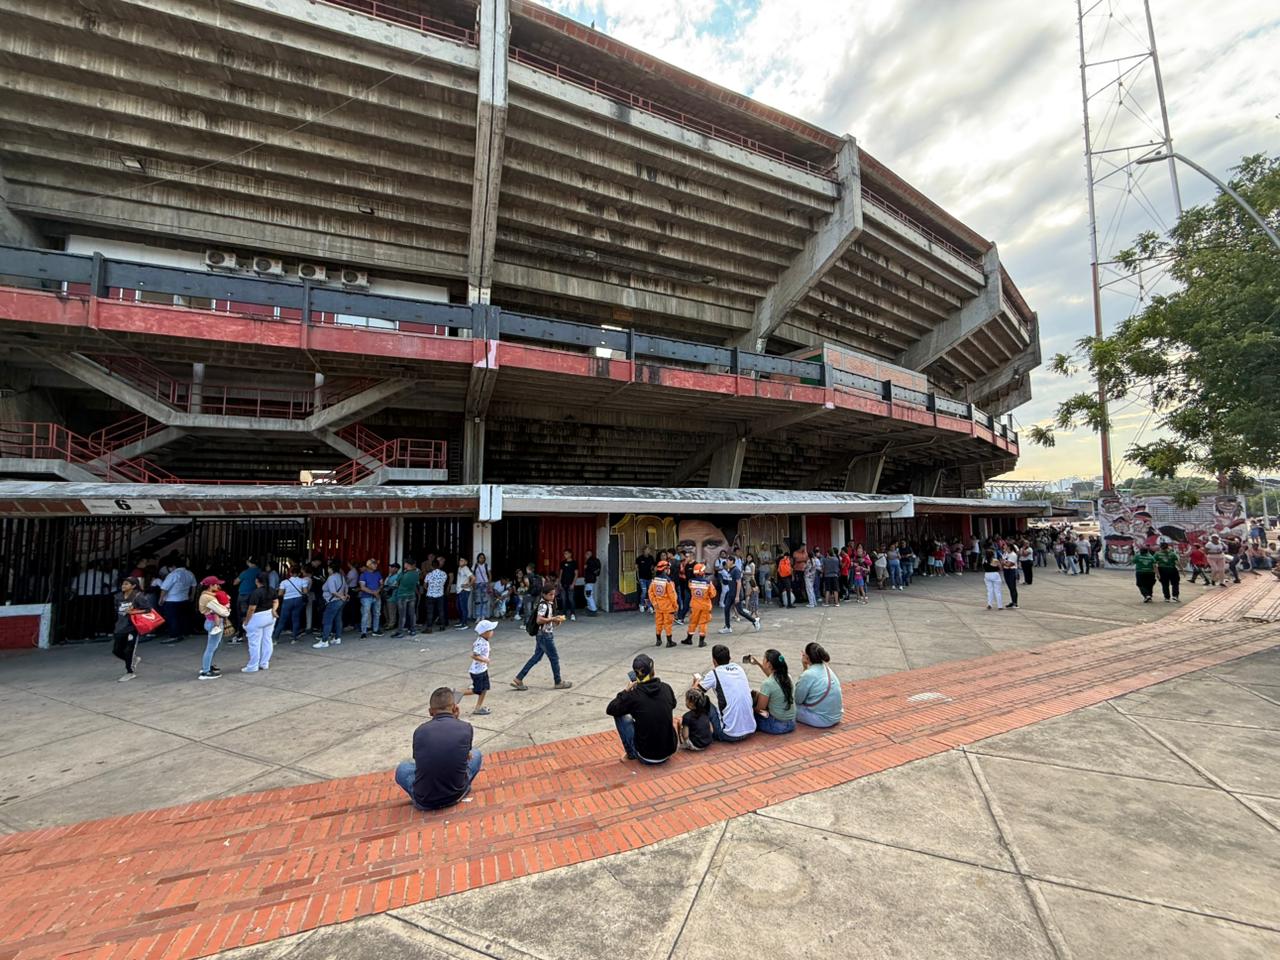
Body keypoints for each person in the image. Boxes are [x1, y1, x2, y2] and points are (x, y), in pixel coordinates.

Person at [394, 687, 483, 811]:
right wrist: (456, 719)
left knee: (403, 768)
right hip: (455, 795)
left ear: (430, 712)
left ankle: (423, 795)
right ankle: (461, 789)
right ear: (455, 708)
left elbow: (418, 762)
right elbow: (466, 757)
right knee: (476, 754)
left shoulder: (420, 731)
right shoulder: (466, 728)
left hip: (425, 801)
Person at [606, 653, 677, 764]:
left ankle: (631, 753)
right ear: (653, 671)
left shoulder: (633, 696)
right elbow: (673, 704)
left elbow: (611, 709)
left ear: (636, 675)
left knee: (621, 715)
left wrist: (625, 692)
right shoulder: (666, 688)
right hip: (669, 750)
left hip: (646, 755)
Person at [511, 584, 573, 690]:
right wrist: (553, 619)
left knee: (536, 657)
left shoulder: (548, 604)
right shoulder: (543, 605)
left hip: (543, 634)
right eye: (550, 594)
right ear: (544, 594)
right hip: (545, 635)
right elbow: (539, 620)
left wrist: (556, 621)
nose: (553, 596)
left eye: (554, 594)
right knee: (554, 658)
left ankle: (519, 678)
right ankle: (558, 681)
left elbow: (547, 621)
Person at [692, 643, 755, 742]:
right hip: (751, 729)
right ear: (729, 658)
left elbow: (694, 694)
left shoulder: (714, 673)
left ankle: (700, 732)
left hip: (729, 734)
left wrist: (696, 681)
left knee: (703, 701)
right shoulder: (738, 668)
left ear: (714, 660)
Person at [743, 648, 796, 734]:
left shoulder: (767, 684)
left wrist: (751, 709)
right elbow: (771, 676)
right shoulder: (787, 677)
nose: (762, 660)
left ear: (769, 664)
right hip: (791, 722)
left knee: (749, 711)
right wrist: (758, 664)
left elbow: (760, 709)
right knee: (759, 696)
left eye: (764, 658)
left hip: (777, 725)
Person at [111, 577, 151, 682]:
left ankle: (130, 671)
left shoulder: (138, 597)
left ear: (133, 586)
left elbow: (148, 609)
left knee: (129, 650)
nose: (123, 586)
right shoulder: (118, 597)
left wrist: (134, 612)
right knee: (117, 650)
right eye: (123, 584)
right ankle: (133, 660)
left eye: (126, 584)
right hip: (120, 627)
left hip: (132, 627)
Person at [794, 641, 842, 727]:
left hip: (821, 719)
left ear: (807, 657)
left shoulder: (809, 674)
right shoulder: (826, 668)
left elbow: (797, 699)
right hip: (836, 716)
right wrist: (805, 667)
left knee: (786, 708)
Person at [242, 573, 277, 672]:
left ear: (257, 580)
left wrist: (246, 621)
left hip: (257, 617)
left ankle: (253, 665)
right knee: (267, 640)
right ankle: (264, 663)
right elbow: (276, 601)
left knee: (254, 643)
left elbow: (251, 609)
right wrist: (274, 610)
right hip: (270, 616)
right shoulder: (272, 590)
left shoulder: (256, 593)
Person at [196, 576, 229, 680]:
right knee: (211, 648)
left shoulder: (206, 595)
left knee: (213, 646)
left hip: (211, 621)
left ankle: (207, 666)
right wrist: (227, 608)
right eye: (216, 584)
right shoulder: (208, 597)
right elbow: (223, 612)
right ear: (211, 585)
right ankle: (206, 671)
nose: (218, 586)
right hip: (213, 623)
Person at [158, 557, 195, 644]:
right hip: (184, 599)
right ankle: (184, 632)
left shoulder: (173, 575)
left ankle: (174, 635)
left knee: (172, 618)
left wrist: (161, 599)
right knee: (182, 617)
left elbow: (164, 588)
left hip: (171, 600)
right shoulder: (189, 573)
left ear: (173, 566)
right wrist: (192, 595)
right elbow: (194, 585)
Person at [462, 619, 495, 715]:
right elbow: (474, 655)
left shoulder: (485, 641)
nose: (492, 632)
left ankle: (478, 707)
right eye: (490, 630)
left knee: (485, 688)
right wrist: (485, 660)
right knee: (478, 690)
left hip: (482, 669)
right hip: (477, 671)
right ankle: (456, 694)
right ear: (485, 632)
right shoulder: (480, 642)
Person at [314, 560, 347, 648]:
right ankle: (337, 638)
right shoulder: (341, 577)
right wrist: (344, 596)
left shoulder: (331, 578)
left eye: (328, 568)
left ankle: (324, 640)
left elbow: (333, 591)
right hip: (340, 602)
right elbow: (346, 587)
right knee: (338, 619)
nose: (327, 569)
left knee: (327, 620)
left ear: (331, 569)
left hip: (333, 601)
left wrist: (340, 596)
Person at [682, 562, 716, 648]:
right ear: (702, 572)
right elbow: (713, 595)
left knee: (693, 622)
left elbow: (691, 589)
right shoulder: (708, 583)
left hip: (695, 605)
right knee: (703, 623)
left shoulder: (691, 582)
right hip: (705, 606)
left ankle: (689, 639)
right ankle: (701, 642)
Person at [274, 564, 311, 644]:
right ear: (299, 573)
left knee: (282, 620)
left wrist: (286, 594)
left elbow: (280, 594)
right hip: (298, 600)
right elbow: (305, 592)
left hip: (287, 601)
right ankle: (294, 638)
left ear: (290, 573)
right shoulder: (303, 581)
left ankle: (275, 639)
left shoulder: (284, 582)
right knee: (296, 619)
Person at [648, 559, 678, 648]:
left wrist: (654, 603)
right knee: (668, 624)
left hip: (658, 606)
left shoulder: (654, 580)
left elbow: (650, 593)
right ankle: (669, 642)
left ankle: (658, 640)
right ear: (665, 569)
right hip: (668, 607)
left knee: (658, 623)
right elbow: (673, 596)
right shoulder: (668, 582)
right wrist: (676, 607)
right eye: (668, 568)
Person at [231, 555, 259, 641]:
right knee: (252, 614)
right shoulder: (259, 571)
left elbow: (235, 582)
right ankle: (251, 632)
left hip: (243, 595)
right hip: (254, 595)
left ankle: (241, 634)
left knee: (242, 615)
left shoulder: (245, 572)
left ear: (248, 562)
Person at [390, 558, 420, 638]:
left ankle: (400, 632)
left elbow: (396, 583)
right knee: (412, 613)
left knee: (402, 615)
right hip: (412, 595)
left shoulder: (403, 574)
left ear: (407, 564)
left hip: (402, 595)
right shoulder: (416, 573)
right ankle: (413, 630)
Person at [357, 558, 384, 638]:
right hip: (366, 597)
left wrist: (377, 591)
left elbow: (381, 584)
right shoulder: (363, 575)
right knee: (365, 614)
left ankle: (375, 630)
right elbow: (362, 587)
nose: (375, 565)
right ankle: (363, 632)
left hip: (375, 596)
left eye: (376, 563)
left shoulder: (378, 573)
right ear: (368, 565)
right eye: (373, 564)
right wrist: (374, 593)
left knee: (377, 613)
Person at [423, 558, 448, 632]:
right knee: (441, 611)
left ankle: (429, 628)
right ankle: (442, 626)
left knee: (430, 612)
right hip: (440, 595)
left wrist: (429, 589)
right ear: (439, 565)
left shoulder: (429, 575)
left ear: (432, 566)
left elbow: (425, 585)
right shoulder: (444, 574)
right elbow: (443, 583)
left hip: (430, 595)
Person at [454, 557, 474, 629]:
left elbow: (473, 578)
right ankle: (461, 621)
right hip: (459, 590)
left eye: (462, 560)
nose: (460, 561)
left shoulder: (465, 568)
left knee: (463, 607)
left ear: (466, 562)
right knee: (458, 606)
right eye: (460, 560)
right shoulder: (460, 568)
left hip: (464, 591)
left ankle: (464, 624)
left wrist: (468, 585)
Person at [559, 550, 578, 621]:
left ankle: (572, 614)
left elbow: (576, 574)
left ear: (570, 554)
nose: (565, 555)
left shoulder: (574, 563)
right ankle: (564, 614)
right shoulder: (562, 563)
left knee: (571, 599)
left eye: (566, 553)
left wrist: (573, 583)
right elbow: (561, 573)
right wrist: (559, 582)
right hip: (563, 583)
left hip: (570, 583)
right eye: (564, 554)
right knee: (563, 599)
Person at [635, 547, 655, 614]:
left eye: (648, 550)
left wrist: (653, 571)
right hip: (642, 578)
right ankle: (641, 604)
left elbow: (653, 566)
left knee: (650, 592)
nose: (647, 551)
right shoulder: (639, 558)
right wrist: (637, 578)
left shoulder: (651, 558)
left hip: (649, 578)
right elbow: (636, 568)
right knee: (644, 591)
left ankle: (649, 606)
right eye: (646, 550)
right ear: (643, 551)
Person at [472, 553, 491, 621]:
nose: (482, 559)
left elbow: (489, 575)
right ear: (478, 558)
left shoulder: (486, 565)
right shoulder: (475, 566)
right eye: (480, 557)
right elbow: (472, 575)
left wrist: (488, 584)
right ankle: (478, 616)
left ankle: (483, 616)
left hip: (484, 584)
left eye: (483, 557)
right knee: (478, 601)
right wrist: (473, 584)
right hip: (477, 584)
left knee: (484, 601)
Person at [1001, 543, 1020, 609]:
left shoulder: (1013, 555)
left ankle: (1015, 603)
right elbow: (1002, 562)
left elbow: (1010, 564)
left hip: (1011, 571)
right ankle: (1012, 601)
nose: (1004, 547)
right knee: (1009, 587)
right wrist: (1004, 563)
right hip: (1006, 570)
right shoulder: (1005, 554)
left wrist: (1004, 562)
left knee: (1012, 587)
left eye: (1006, 546)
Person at [583, 550, 601, 615]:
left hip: (589, 580)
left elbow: (589, 570)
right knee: (589, 594)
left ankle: (593, 609)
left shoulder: (589, 562)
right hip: (592, 580)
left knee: (588, 595)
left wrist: (586, 567)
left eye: (586, 554)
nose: (585, 556)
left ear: (588, 554)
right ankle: (590, 608)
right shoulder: (596, 561)